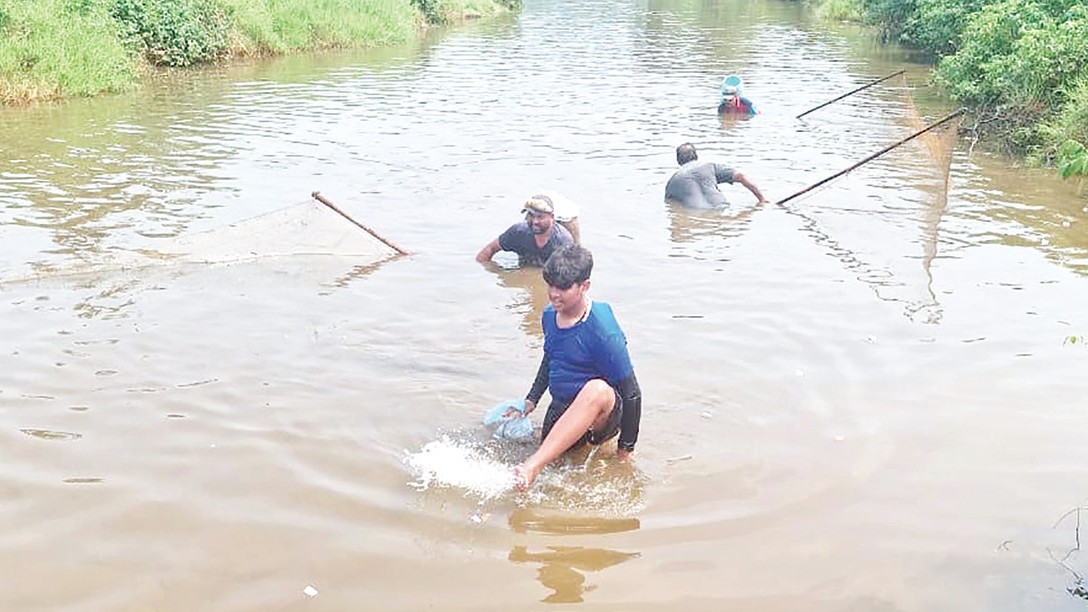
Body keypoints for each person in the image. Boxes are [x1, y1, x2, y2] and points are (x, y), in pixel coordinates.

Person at [512, 245, 642, 490]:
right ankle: (535, 464)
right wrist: (531, 399)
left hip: (601, 413)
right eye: (550, 285)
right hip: (562, 407)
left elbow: (632, 393)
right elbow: (551, 356)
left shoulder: (603, 330)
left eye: (563, 287)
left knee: (597, 389)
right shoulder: (549, 315)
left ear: (584, 286)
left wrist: (625, 451)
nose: (553, 294)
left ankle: (532, 466)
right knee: (550, 462)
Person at [476, 194, 575, 267]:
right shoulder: (518, 232)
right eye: (531, 216)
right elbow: (489, 249)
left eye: (540, 217)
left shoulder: (563, 241)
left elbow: (569, 276)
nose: (535, 221)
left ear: (551, 217)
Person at [664, 143, 769, 209]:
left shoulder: (673, 181)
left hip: (698, 216)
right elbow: (741, 176)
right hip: (722, 207)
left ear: (678, 160)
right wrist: (762, 199)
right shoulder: (710, 166)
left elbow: (670, 206)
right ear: (696, 156)